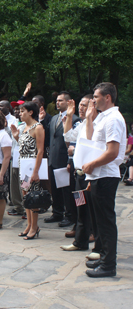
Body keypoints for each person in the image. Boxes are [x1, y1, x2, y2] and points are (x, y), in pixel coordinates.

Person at [82, 82, 126, 278]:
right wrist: (90, 118)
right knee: (100, 221)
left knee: (106, 221)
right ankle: (104, 256)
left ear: (107, 97)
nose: (93, 100)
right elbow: (92, 140)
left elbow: (113, 152)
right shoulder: (102, 118)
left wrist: (92, 165)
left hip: (106, 174)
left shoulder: (114, 119)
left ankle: (109, 265)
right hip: (98, 175)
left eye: (96, 96)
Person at [60, 94, 96, 252]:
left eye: (85, 105)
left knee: (92, 210)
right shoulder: (81, 125)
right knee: (80, 207)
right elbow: (67, 138)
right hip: (79, 175)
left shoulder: (96, 125)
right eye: (80, 105)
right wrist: (69, 115)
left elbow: (92, 148)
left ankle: (94, 236)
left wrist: (75, 150)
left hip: (91, 176)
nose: (81, 108)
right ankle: (80, 241)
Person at [44, 92, 80, 227]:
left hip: (65, 160)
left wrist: (70, 160)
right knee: (55, 188)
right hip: (53, 159)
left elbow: (72, 142)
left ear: (69, 102)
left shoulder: (75, 120)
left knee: (67, 190)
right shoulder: (53, 119)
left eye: (60, 100)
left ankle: (69, 215)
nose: (57, 103)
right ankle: (57, 212)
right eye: (56, 101)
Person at [11, 101, 45, 240]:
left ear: (31, 112)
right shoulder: (24, 127)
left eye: (23, 110)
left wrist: (36, 171)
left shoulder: (38, 127)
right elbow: (24, 146)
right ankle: (29, 225)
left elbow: (40, 150)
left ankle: (34, 226)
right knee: (26, 196)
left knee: (33, 197)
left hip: (32, 167)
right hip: (23, 166)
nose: (20, 113)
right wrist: (16, 137)